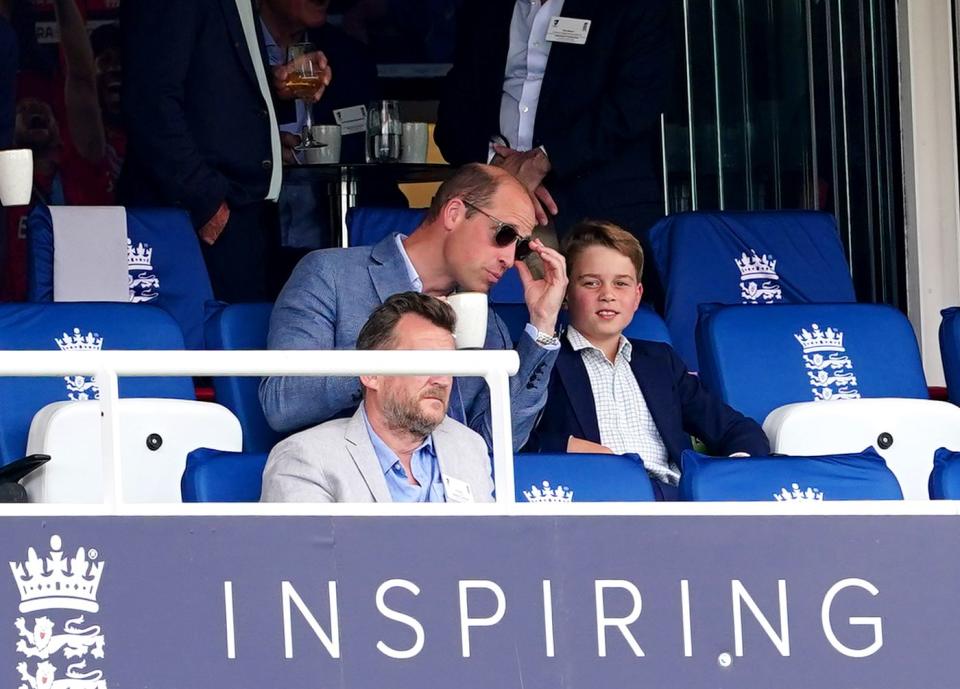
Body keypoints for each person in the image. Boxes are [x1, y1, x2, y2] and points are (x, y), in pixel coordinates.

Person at [259, 163, 568, 451]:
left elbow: (497, 445)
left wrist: (542, 325)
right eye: (505, 234)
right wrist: (392, 359)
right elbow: (282, 403)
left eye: (521, 247)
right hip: (348, 485)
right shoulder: (331, 274)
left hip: (449, 495)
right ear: (454, 213)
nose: (509, 258)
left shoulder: (487, 322)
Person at [525, 221, 770, 497]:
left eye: (621, 284)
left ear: (637, 295)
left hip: (675, 498)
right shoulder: (545, 358)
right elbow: (509, 437)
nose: (607, 295)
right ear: (566, 293)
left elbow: (736, 428)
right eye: (591, 283)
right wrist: (565, 445)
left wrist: (735, 470)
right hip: (600, 498)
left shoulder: (660, 362)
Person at [118, 0, 330, 302]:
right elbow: (150, 105)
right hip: (198, 219)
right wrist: (206, 204)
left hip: (241, 215)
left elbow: (210, 89)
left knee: (242, 338)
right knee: (201, 341)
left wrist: (276, 89)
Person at [434, 0, 672, 240]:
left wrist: (543, 161)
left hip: (595, 207)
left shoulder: (634, 6)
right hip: (490, 203)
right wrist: (500, 169)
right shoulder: (484, 8)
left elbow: (635, 105)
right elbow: (453, 114)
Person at [260, 292, 495, 503]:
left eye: (450, 365)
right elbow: (306, 551)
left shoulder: (469, 446)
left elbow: (491, 547)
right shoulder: (306, 458)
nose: (442, 380)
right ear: (371, 374)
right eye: (427, 362)